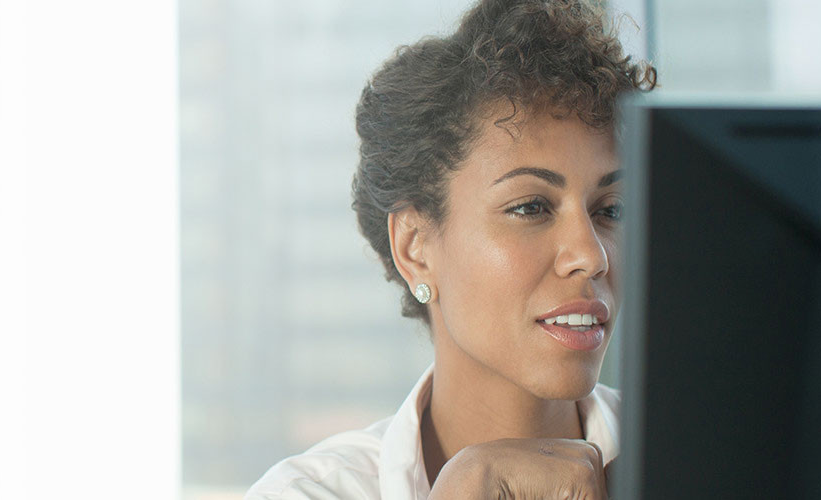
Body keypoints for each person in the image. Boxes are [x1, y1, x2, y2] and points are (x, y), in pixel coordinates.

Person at [246, 0, 657, 498]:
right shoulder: (311, 492)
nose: (592, 256)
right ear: (416, 248)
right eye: (531, 207)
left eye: (610, 209)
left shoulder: (711, 466)